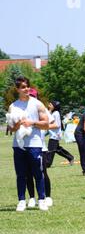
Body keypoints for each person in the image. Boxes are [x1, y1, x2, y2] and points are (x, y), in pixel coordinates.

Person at [8, 77, 49, 212]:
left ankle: (41, 199)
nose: (25, 89)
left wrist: (32, 123)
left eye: (27, 86)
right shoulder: (13, 106)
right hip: (19, 145)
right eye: (22, 87)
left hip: (35, 143)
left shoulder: (37, 104)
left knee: (38, 172)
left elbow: (46, 124)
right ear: (17, 89)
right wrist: (17, 125)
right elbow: (11, 129)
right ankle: (21, 201)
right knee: (21, 174)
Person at [46, 100, 75, 167]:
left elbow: (57, 125)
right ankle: (70, 157)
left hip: (55, 135)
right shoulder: (53, 113)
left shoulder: (56, 113)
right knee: (57, 149)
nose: (49, 105)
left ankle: (47, 163)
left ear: (55, 106)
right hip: (53, 134)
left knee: (51, 150)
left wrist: (46, 126)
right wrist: (49, 110)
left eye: (51, 104)